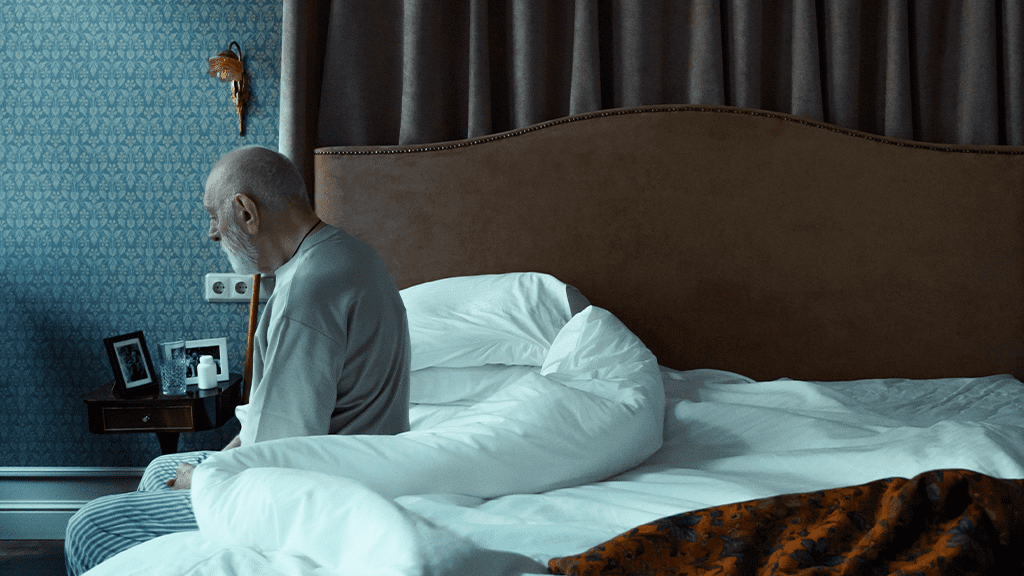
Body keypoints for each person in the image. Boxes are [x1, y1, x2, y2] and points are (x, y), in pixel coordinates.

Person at [65, 146, 412, 575]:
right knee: (161, 469)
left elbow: (278, 453)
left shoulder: (307, 292)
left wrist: (204, 478)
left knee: (89, 528)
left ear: (247, 212)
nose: (212, 233)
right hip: (348, 467)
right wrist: (207, 467)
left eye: (214, 215)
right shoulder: (348, 255)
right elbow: (265, 423)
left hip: (318, 493)